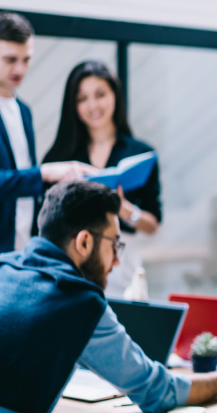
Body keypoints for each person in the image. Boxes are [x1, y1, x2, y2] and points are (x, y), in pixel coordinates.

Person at [0, 180, 217, 413]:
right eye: (114, 244)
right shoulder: (77, 303)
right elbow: (157, 393)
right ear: (84, 242)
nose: (117, 260)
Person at [0, 11, 96, 273]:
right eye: (10, 59)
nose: (20, 69)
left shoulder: (24, 111)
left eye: (26, 59)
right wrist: (44, 173)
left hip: (24, 251)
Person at [43, 60, 162, 297]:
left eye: (100, 94)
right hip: (72, 262)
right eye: (82, 98)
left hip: (122, 263)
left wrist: (123, 209)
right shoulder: (62, 157)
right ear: (73, 105)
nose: (93, 105)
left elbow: (153, 224)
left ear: (114, 96)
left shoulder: (139, 154)